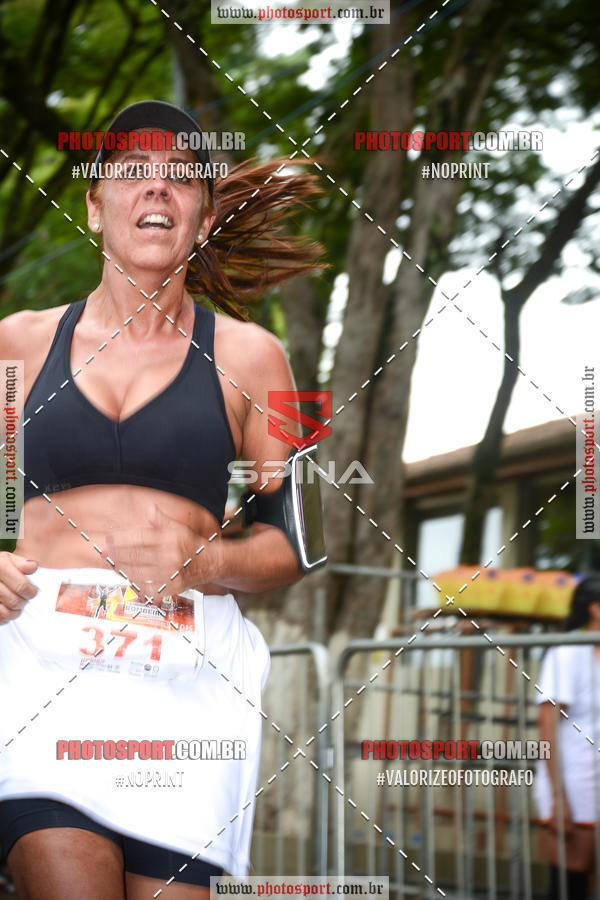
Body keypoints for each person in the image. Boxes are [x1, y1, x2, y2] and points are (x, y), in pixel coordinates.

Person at [0, 100, 324, 900]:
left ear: (204, 218)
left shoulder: (257, 357)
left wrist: (206, 560)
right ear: (94, 206)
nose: (157, 191)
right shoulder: (14, 343)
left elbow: (299, 542)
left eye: (182, 179)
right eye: (132, 174)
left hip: (187, 686)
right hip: (38, 667)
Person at [535, 575, 600, 899]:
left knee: (588, 879)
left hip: (593, 777)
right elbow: (546, 723)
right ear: (595, 609)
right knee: (569, 883)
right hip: (571, 779)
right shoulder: (568, 650)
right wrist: (559, 797)